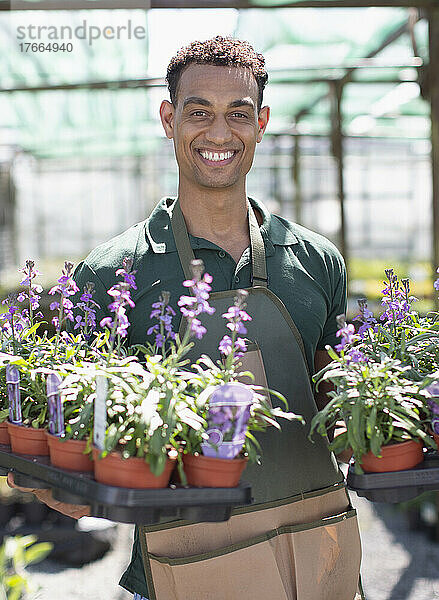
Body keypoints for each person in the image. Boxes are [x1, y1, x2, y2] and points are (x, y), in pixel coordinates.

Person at [9, 36, 363, 600]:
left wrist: (370, 434)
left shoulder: (315, 261)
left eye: (238, 115)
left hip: (316, 556)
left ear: (262, 122)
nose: (219, 134)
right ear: (169, 119)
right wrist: (60, 484)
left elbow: (333, 397)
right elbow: (56, 417)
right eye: (199, 112)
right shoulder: (111, 274)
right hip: (186, 567)